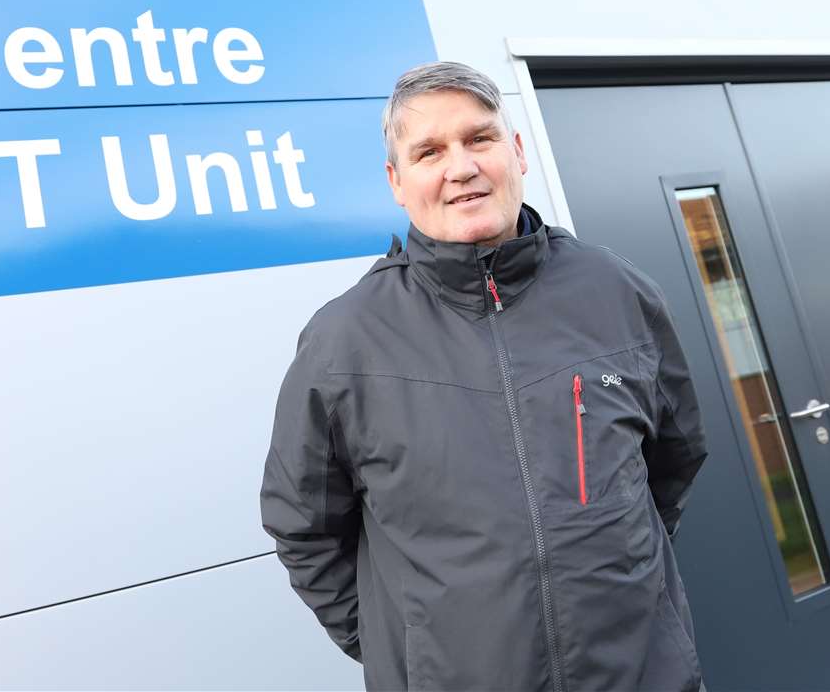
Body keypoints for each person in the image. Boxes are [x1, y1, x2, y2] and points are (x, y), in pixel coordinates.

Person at [260, 61, 708, 691]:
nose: (461, 167)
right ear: (397, 180)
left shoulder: (619, 293)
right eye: (429, 151)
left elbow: (673, 459)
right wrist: (409, 648)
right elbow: (303, 525)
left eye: (479, 138)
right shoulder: (344, 343)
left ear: (516, 151)